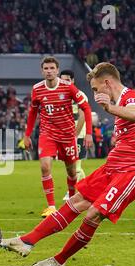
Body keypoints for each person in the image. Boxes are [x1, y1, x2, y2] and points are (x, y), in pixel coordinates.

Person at [1, 62, 135, 266]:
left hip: (133, 172)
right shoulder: (120, 105)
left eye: (95, 89)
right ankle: (27, 241)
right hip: (112, 167)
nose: (93, 94)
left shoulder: (132, 97)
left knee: (93, 213)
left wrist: (109, 108)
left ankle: (58, 261)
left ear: (107, 83)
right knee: (77, 200)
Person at [24, 56, 93, 218]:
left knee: (72, 173)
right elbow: (33, 112)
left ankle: (71, 201)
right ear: (42, 71)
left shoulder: (68, 87)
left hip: (67, 135)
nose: (49, 71)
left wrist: (88, 133)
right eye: (46, 69)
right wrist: (26, 135)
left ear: (57, 70)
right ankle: (51, 207)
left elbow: (86, 108)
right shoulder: (37, 89)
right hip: (47, 134)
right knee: (45, 166)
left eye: (52, 69)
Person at [59, 70, 89, 201]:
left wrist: (76, 134)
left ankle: (71, 193)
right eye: (62, 80)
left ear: (73, 81)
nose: (64, 82)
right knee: (71, 165)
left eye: (67, 80)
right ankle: (87, 188)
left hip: (78, 135)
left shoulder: (79, 95)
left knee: (75, 165)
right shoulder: (60, 95)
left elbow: (83, 116)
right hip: (65, 136)